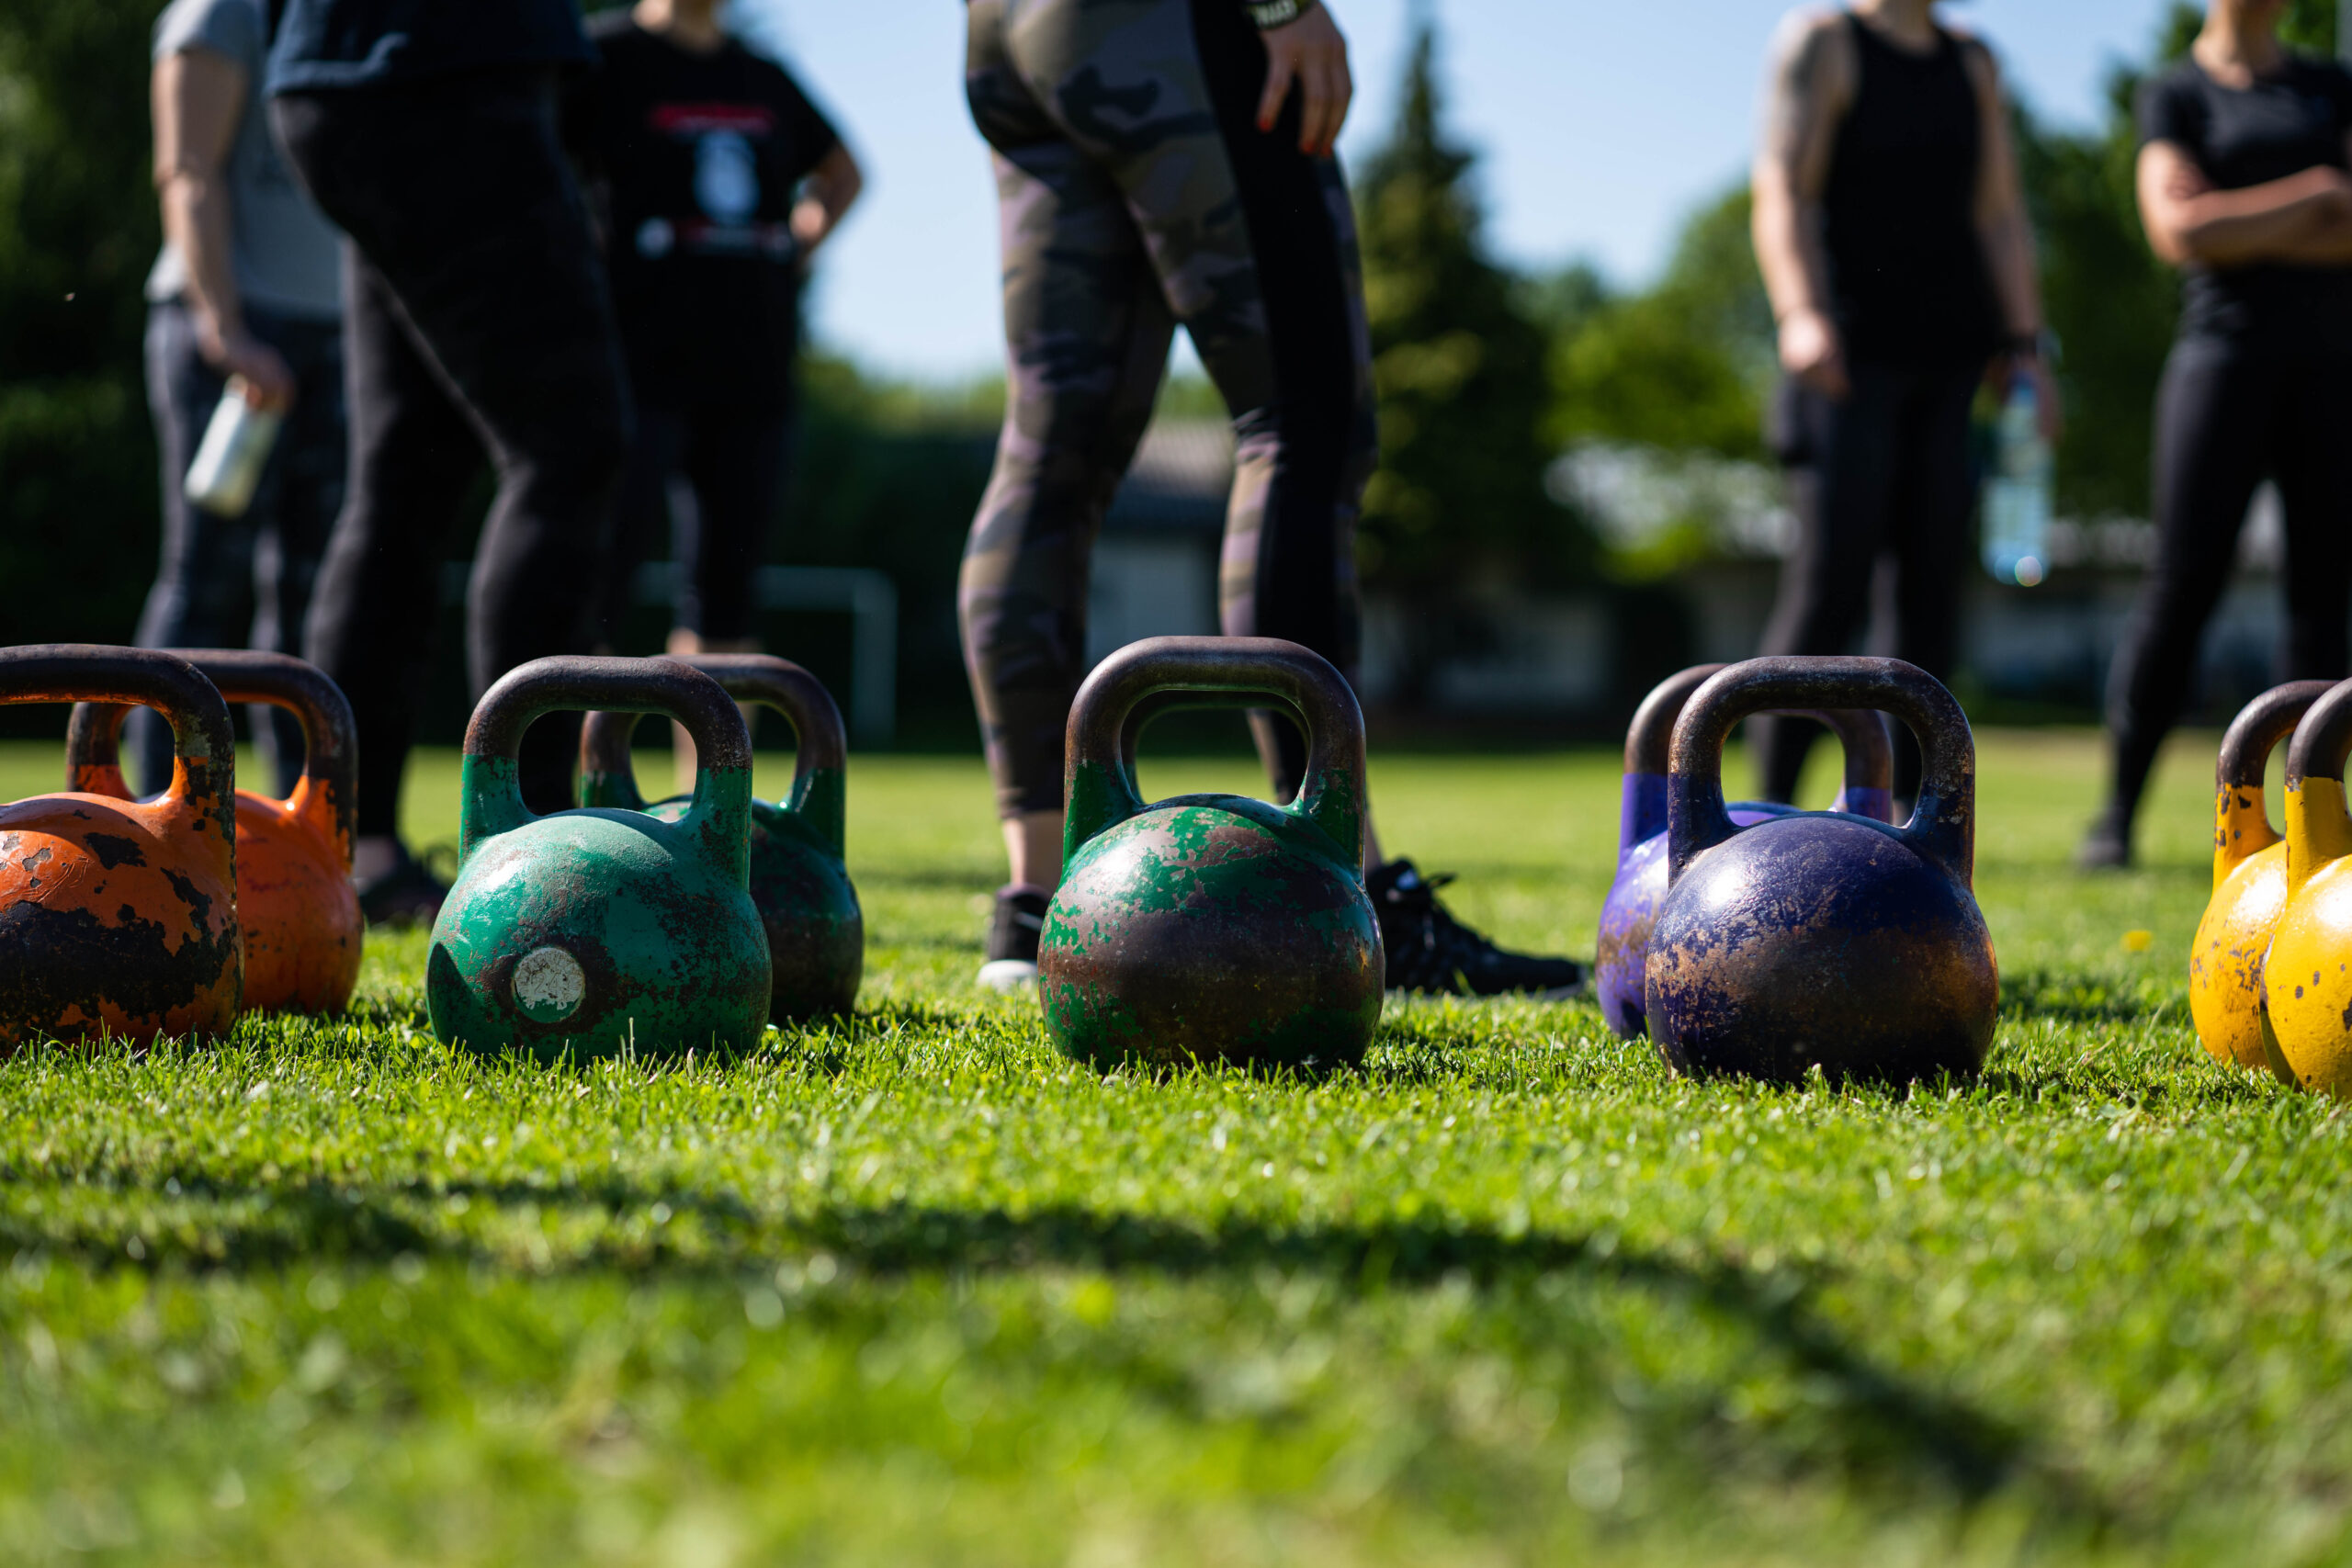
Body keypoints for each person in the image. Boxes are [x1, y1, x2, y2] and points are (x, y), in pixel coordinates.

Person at [960, 0, 1581, 997]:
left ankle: (1034, 902)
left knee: (1051, 455)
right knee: (1301, 421)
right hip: (1174, 26)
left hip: (1012, 33)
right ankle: (1349, 883)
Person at [266, 0, 634, 923]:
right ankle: (531, 842)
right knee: (569, 447)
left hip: (357, 73)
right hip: (447, 72)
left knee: (405, 481)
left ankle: (348, 847)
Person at [1749, 0, 2054, 806]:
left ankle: (1919, 835)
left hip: (1952, 364)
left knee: (1929, 607)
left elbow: (1998, 211)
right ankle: (1760, 813)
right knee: (1828, 592)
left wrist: (2026, 351)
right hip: (1844, 362)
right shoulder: (1826, 41)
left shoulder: (1972, 61)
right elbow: (1782, 186)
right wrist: (1799, 313)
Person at [2080, 0, 2352, 867]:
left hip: (2330, 370)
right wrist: (2315, 196)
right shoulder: (2176, 93)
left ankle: (2311, 823)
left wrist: (2238, 222)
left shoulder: (2326, 85)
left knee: (2320, 598)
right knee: (2182, 584)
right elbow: (2179, 229)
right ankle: (2117, 815)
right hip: (2219, 364)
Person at [576, 0, 864, 788]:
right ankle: (582, 796)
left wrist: (796, 245)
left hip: (752, 367)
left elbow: (845, 173)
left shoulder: (762, 75)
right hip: (634, 364)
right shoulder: (602, 57)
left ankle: (708, 805)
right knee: (601, 581)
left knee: (726, 598)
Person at [134, 0, 345, 801]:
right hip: (232, 336)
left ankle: (295, 824)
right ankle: (154, 809)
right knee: (204, 582)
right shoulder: (220, 13)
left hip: (333, 336)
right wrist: (224, 326)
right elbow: (186, 167)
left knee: (308, 593)